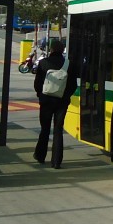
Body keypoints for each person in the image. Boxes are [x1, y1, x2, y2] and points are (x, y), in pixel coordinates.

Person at [33, 39, 78, 169]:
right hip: (62, 102)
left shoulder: (43, 63)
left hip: (46, 101)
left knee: (45, 129)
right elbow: (73, 85)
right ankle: (56, 161)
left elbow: (37, 84)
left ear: (51, 49)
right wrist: (65, 96)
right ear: (62, 49)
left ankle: (40, 155)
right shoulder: (69, 65)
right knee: (58, 130)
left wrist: (40, 95)